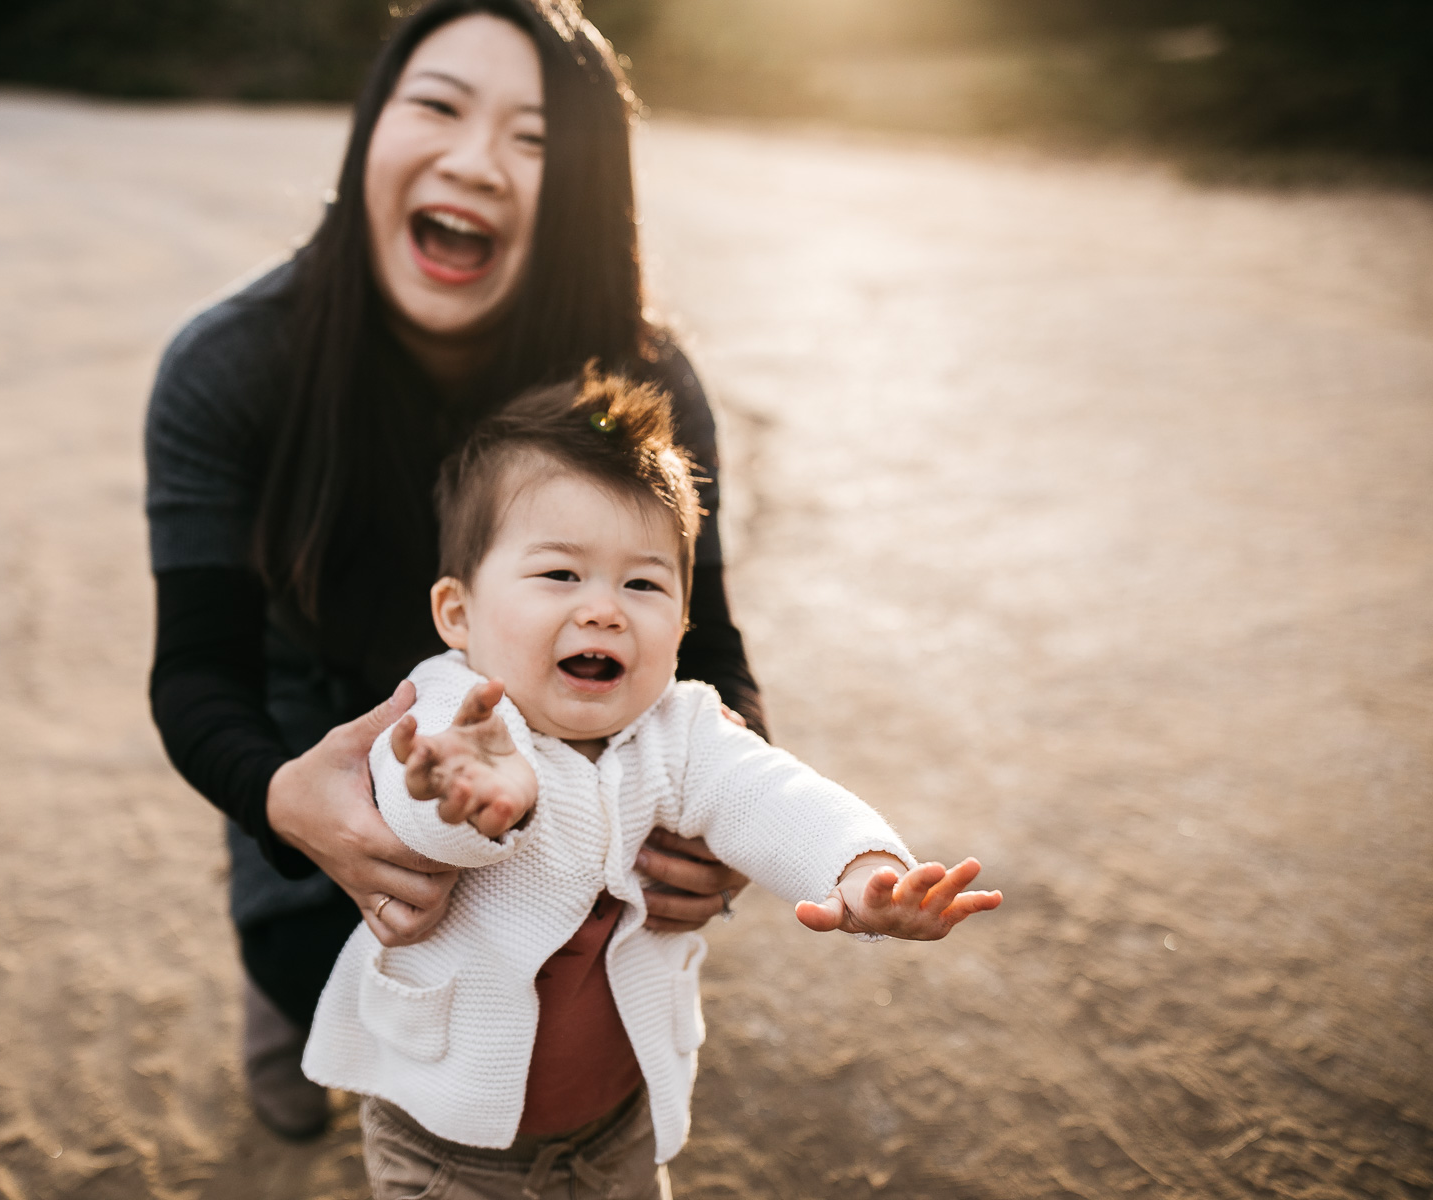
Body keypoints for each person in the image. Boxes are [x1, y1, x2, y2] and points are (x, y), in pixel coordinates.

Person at [144, 0, 764, 1138]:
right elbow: (198, 671)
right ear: (370, 132)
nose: (476, 162)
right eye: (437, 106)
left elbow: (709, 643)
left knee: (549, 1027)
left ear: (581, 191)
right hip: (321, 727)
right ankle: (283, 1007)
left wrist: (728, 813)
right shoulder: (228, 368)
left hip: (562, 760)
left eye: (534, 139)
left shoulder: (641, 388)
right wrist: (282, 800)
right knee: (317, 978)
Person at [303, 370, 1002, 1199]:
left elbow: (769, 795)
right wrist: (481, 800)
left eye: (642, 584)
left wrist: (859, 870)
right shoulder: (455, 709)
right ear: (459, 612)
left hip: (618, 1129)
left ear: (681, 623)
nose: (605, 610)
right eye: (560, 575)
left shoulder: (680, 727)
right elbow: (409, 805)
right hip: (445, 1143)